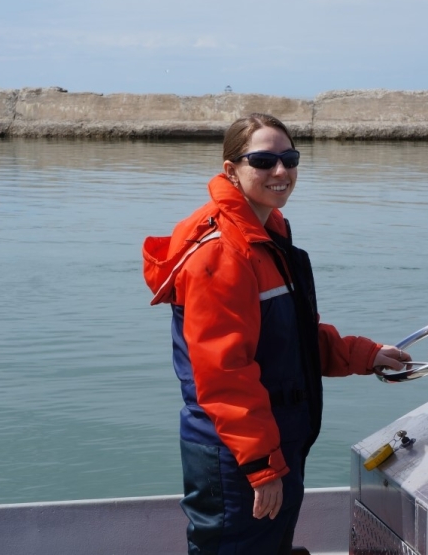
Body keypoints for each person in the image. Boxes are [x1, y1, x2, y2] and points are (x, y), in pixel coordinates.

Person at [142, 113, 410, 555]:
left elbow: (290, 339)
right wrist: (262, 467)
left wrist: (365, 355)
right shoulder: (223, 253)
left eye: (289, 158)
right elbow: (223, 373)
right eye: (264, 160)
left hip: (272, 442)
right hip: (236, 455)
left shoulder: (266, 235)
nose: (281, 171)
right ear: (231, 170)